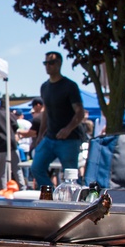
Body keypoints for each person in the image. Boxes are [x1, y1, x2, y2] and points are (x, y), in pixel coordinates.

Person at [30, 52, 85, 189]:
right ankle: (52, 195)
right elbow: (46, 112)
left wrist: (68, 129)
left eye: (51, 63)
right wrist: (40, 135)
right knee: (36, 168)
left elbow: (80, 112)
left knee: (70, 176)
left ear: (59, 64)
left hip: (69, 140)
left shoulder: (69, 86)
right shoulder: (44, 87)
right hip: (50, 138)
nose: (48, 66)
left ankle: (71, 202)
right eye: (46, 63)